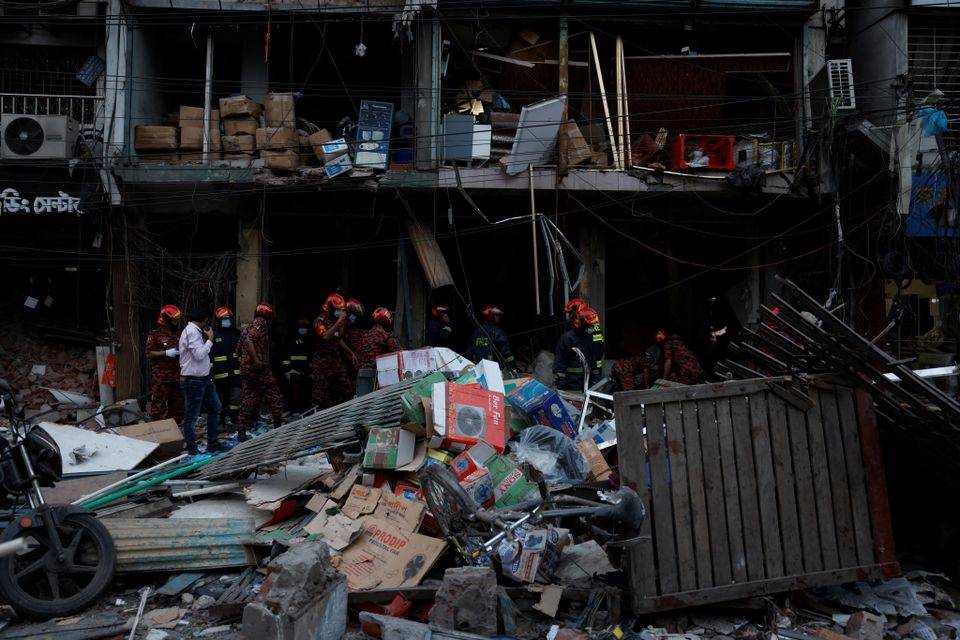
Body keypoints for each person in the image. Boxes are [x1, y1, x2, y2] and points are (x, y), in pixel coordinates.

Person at [177, 307, 222, 454]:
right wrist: (210, 340)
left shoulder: (195, 331)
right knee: (192, 416)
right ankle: (192, 449)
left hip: (204, 379)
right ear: (205, 320)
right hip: (193, 381)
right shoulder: (191, 332)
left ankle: (213, 444)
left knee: (215, 407)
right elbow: (199, 355)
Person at [238, 302, 284, 441]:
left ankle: (241, 432)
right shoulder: (261, 323)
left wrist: (247, 361)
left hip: (247, 370)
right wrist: (256, 360)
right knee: (275, 397)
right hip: (259, 370)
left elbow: (238, 349)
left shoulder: (247, 328)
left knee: (248, 400)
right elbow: (249, 340)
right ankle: (278, 429)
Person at [312, 293, 356, 409]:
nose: (339, 312)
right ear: (330, 308)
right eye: (337, 310)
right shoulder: (320, 321)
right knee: (319, 394)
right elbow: (326, 336)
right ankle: (315, 419)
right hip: (322, 361)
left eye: (341, 310)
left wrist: (349, 351)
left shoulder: (339, 321)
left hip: (335, 360)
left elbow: (337, 338)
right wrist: (339, 321)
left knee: (346, 388)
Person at [145, 304, 184, 422]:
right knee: (158, 405)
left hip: (177, 375)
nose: (177, 321)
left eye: (178, 319)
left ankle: (174, 430)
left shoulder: (180, 333)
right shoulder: (155, 334)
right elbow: (149, 353)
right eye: (174, 319)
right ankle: (159, 430)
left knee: (177, 405)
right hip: (161, 377)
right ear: (167, 319)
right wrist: (165, 353)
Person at [554, 306, 604, 391]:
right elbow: (560, 363)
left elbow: (594, 359)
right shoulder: (567, 339)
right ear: (581, 324)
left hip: (588, 385)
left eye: (592, 326)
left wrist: (596, 378)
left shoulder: (590, 337)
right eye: (589, 326)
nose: (591, 329)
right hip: (571, 386)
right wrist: (561, 385)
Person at [210, 306, 241, 428]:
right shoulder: (214, 335)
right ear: (218, 321)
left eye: (228, 319)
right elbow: (209, 355)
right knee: (220, 400)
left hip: (236, 374)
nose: (226, 321)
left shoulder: (237, 334)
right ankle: (221, 421)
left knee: (236, 398)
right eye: (224, 319)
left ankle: (234, 418)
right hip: (220, 374)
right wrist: (210, 374)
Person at [466, 305, 515, 370]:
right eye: (497, 315)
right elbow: (506, 353)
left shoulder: (475, 332)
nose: (499, 317)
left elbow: (469, 353)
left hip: (479, 368)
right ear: (490, 316)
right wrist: (513, 367)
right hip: (495, 369)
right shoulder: (497, 331)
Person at [280, 318, 313, 413]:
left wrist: (311, 371)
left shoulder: (308, 340)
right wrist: (287, 370)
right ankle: (294, 410)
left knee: (305, 391)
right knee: (295, 391)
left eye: (305, 327)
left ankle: (303, 409)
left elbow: (310, 357)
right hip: (294, 370)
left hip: (305, 371)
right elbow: (285, 355)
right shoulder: (291, 339)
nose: (303, 329)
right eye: (301, 327)